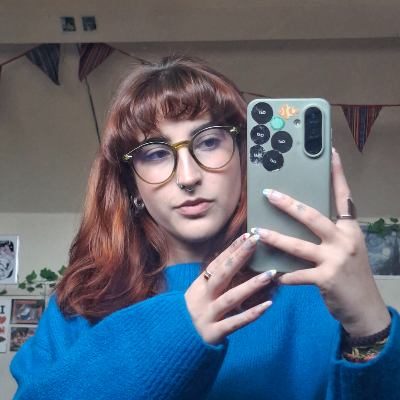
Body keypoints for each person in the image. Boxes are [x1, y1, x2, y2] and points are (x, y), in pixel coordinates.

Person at [10, 55, 399, 400]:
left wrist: (371, 327)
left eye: (209, 142)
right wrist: (178, 333)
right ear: (132, 184)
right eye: (156, 154)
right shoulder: (83, 301)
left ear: (244, 157)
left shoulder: (313, 290)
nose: (188, 177)